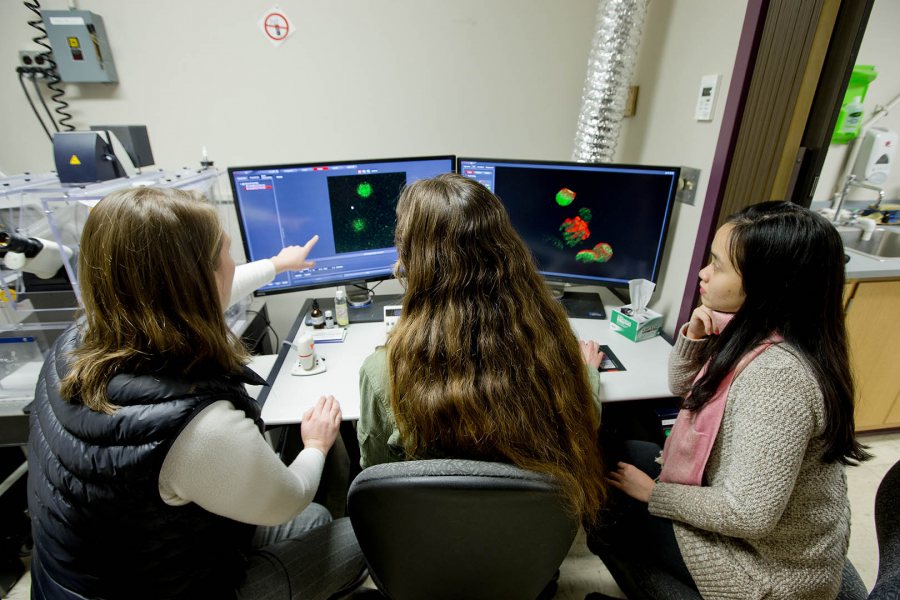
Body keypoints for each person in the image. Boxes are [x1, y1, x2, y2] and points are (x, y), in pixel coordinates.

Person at [27, 187, 366, 600]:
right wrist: (314, 444)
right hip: (177, 588)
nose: (232, 263)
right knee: (358, 532)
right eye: (225, 252)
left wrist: (277, 264)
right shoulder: (196, 426)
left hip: (92, 578)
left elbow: (220, 288)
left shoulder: (74, 345)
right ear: (193, 281)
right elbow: (288, 499)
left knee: (313, 518)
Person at [593, 201, 870, 599]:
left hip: (763, 568)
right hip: (754, 526)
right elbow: (681, 385)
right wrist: (695, 337)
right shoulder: (756, 331)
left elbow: (748, 514)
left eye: (719, 265)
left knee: (601, 503)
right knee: (625, 450)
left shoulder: (777, 378)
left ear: (768, 285)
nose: (704, 273)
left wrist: (655, 494)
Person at [356, 173, 607, 522]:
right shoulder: (552, 343)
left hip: (427, 543)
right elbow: (584, 421)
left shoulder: (382, 372)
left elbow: (376, 479)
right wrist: (588, 374)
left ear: (411, 262)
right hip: (528, 550)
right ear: (506, 247)